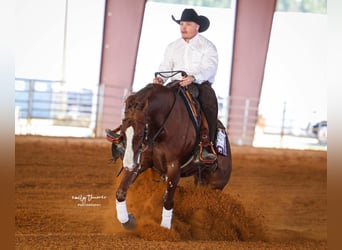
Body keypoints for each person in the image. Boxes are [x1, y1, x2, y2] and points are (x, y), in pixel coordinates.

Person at [153, 8, 218, 162]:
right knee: (150, 98)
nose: (183, 27)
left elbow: (210, 68)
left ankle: (207, 143)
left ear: (197, 27)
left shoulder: (207, 46)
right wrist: (160, 78)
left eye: (188, 24)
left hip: (199, 84)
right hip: (175, 84)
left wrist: (194, 77)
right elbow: (165, 66)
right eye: (181, 24)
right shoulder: (172, 46)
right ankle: (139, 137)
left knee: (209, 104)